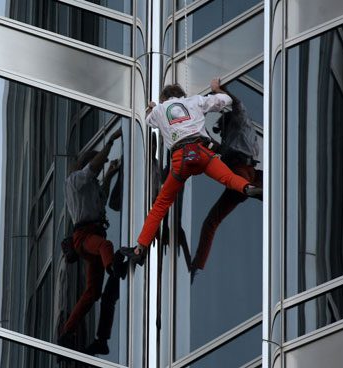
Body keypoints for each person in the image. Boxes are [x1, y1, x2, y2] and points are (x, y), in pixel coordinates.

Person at [122, 79, 262, 265]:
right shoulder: (194, 101)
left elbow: (149, 121)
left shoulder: (160, 110)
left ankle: (140, 248)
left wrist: (151, 107)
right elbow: (225, 101)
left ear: (164, 99)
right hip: (203, 153)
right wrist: (217, 90)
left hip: (181, 159)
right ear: (182, 96)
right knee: (229, 178)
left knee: (161, 205)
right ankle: (247, 188)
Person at [58, 129, 127, 356]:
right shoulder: (74, 180)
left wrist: (110, 174)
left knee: (93, 293)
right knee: (106, 248)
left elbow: (101, 197)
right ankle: (114, 269)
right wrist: (110, 142)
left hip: (92, 235)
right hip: (84, 236)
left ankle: (72, 332)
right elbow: (92, 168)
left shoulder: (89, 184)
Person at [190, 87, 262, 282]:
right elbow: (221, 149)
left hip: (241, 173)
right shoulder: (236, 137)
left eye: (222, 129)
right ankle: (257, 190)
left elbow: (237, 104)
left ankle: (197, 266)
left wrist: (221, 90)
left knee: (211, 222)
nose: (222, 133)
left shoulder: (241, 121)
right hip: (250, 172)